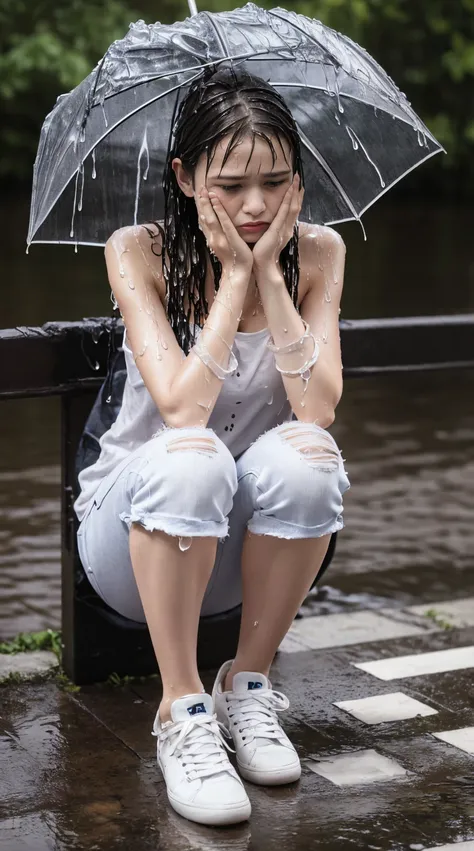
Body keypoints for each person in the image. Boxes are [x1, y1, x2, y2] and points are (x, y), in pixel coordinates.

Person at [74, 65, 350, 827]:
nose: (256, 204)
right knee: (191, 455)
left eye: (276, 180)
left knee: (307, 456)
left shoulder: (320, 253)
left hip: (237, 541)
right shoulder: (140, 251)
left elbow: (316, 405)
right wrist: (234, 279)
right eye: (230, 184)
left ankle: (248, 687)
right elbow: (182, 406)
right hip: (133, 533)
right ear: (186, 176)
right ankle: (181, 709)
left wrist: (272, 278)